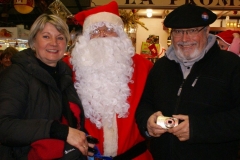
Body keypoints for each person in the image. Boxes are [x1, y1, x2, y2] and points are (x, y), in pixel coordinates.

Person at [135, 3, 240, 160]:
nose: (184, 39)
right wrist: (147, 122)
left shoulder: (232, 66)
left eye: (192, 31)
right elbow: (145, 103)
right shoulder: (161, 67)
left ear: (206, 31)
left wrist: (198, 128)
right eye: (178, 32)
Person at [0, 14, 95, 160]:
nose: (54, 43)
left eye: (60, 37)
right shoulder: (17, 74)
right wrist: (59, 131)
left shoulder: (65, 75)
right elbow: (4, 126)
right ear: (33, 41)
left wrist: (80, 140)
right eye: (46, 36)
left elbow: (68, 118)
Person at [70, 1, 153, 159]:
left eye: (108, 29)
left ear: (120, 35)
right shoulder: (70, 68)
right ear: (86, 38)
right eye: (95, 30)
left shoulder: (144, 67)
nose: (102, 34)